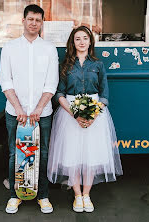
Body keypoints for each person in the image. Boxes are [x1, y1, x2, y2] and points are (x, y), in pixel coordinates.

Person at [47, 26, 123, 213]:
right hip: (70, 114)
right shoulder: (66, 65)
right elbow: (59, 93)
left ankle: (87, 195)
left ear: (90, 41)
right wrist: (75, 113)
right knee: (72, 156)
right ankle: (77, 195)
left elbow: (104, 95)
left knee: (90, 156)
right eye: (77, 39)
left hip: (95, 115)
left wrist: (92, 115)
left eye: (85, 38)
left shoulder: (98, 65)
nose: (81, 42)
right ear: (73, 43)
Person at [0, 4, 59, 214]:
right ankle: (15, 196)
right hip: (15, 112)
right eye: (30, 19)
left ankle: (43, 195)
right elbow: (6, 82)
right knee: (16, 155)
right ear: (23, 21)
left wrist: (39, 108)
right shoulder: (10, 48)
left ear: (42, 23)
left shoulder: (49, 49)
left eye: (38, 20)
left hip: (42, 114)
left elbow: (51, 83)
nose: (34, 23)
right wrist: (19, 109)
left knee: (41, 153)